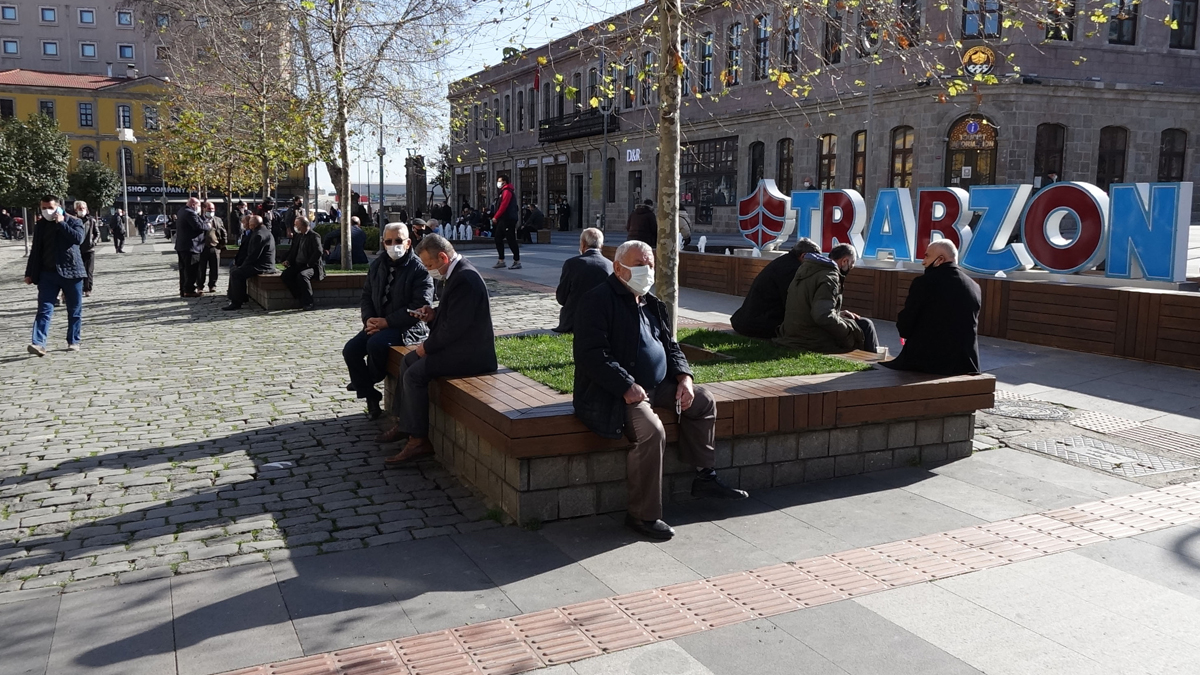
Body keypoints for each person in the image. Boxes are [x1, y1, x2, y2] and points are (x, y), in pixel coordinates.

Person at [573, 240, 747, 540]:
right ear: (618, 268)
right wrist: (626, 384)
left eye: (651, 264)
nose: (648, 271)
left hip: (658, 386)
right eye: (641, 265)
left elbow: (671, 346)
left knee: (703, 401)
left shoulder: (651, 303)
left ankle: (705, 476)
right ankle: (642, 515)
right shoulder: (597, 300)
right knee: (652, 431)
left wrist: (684, 378)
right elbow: (591, 354)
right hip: (616, 393)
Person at [377, 234, 497, 463]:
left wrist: (426, 348)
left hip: (471, 355)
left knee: (415, 373)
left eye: (430, 265)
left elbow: (455, 329)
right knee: (407, 361)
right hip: (460, 347)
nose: (430, 270)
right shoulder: (456, 273)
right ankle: (405, 424)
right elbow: (452, 318)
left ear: (443, 257)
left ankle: (418, 440)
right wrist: (432, 316)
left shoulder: (465, 278)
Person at [344, 223, 433, 419]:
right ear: (383, 243)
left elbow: (420, 306)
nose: (394, 245)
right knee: (350, 350)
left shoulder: (419, 269)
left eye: (399, 241)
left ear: (408, 243)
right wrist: (369, 320)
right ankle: (370, 393)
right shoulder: (377, 265)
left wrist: (387, 322)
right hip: (377, 324)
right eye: (389, 241)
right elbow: (367, 295)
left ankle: (366, 380)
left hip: (407, 327)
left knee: (376, 344)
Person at [883, 240, 982, 375]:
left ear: (940, 259)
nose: (923, 262)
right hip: (966, 365)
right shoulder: (974, 286)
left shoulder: (924, 283)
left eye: (927, 256)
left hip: (927, 363)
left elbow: (906, 325)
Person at [775, 244, 878, 354]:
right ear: (844, 261)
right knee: (866, 325)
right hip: (811, 339)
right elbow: (823, 316)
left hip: (794, 332)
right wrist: (847, 333)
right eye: (851, 265)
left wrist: (837, 314)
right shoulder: (830, 277)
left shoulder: (807, 270)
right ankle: (874, 365)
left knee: (859, 324)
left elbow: (811, 305)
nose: (850, 269)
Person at [24, 195, 86, 356]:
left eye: (49, 207)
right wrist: (29, 273)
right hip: (47, 274)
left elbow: (78, 239)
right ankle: (38, 344)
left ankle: (73, 341)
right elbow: (36, 250)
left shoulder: (73, 221)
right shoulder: (41, 225)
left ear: (58, 206)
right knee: (44, 309)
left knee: (74, 310)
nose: (46, 211)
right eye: (43, 208)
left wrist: (62, 223)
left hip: (72, 272)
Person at [730, 237, 821, 339]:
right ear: (803, 256)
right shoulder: (792, 269)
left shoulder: (784, 261)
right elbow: (793, 304)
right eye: (815, 260)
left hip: (746, 321)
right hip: (760, 325)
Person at [554, 227, 612, 333]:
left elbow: (561, 297)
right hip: (603, 320)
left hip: (574, 321)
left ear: (583, 244)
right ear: (601, 245)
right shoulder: (610, 265)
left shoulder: (572, 264)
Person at [223, 214, 275, 310]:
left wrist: (243, 266)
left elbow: (253, 255)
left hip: (262, 266)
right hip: (260, 264)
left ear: (253, 225)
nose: (248, 226)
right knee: (235, 270)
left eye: (250, 224)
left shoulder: (259, 235)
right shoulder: (262, 231)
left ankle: (236, 302)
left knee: (237, 273)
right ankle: (239, 297)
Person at [281, 216, 325, 310]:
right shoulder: (298, 236)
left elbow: (318, 251)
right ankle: (299, 298)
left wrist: (309, 264)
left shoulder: (314, 236)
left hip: (311, 266)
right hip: (298, 264)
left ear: (303, 225)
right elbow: (293, 251)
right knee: (286, 275)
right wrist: (288, 260)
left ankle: (309, 302)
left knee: (302, 276)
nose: (296, 227)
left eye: (297, 225)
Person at [174, 197, 211, 298]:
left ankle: (183, 289)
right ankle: (189, 290)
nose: (199, 208)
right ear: (193, 204)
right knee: (191, 269)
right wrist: (208, 226)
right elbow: (197, 226)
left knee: (183, 270)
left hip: (182, 246)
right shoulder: (190, 213)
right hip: (191, 246)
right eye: (198, 206)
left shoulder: (181, 211)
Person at [489, 174, 521, 269]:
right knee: (498, 238)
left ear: (504, 182)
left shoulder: (507, 192)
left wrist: (496, 217)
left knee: (511, 240)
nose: (498, 183)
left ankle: (517, 261)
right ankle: (501, 260)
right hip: (503, 219)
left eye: (499, 181)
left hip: (508, 220)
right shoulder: (502, 192)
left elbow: (504, 205)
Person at [197, 201, 227, 293]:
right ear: (204, 209)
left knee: (215, 268)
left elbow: (223, 232)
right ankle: (200, 286)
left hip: (215, 247)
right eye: (209, 209)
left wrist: (223, 244)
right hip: (202, 247)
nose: (211, 211)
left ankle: (212, 285)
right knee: (201, 269)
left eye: (213, 209)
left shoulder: (218, 220)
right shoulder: (199, 219)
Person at [75, 201, 100, 297]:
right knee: (78, 271)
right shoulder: (74, 220)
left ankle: (88, 288)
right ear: (76, 210)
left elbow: (97, 233)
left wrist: (93, 242)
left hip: (89, 250)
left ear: (86, 209)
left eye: (83, 208)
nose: (81, 210)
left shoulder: (91, 220)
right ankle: (79, 288)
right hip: (77, 250)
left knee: (89, 270)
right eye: (79, 209)